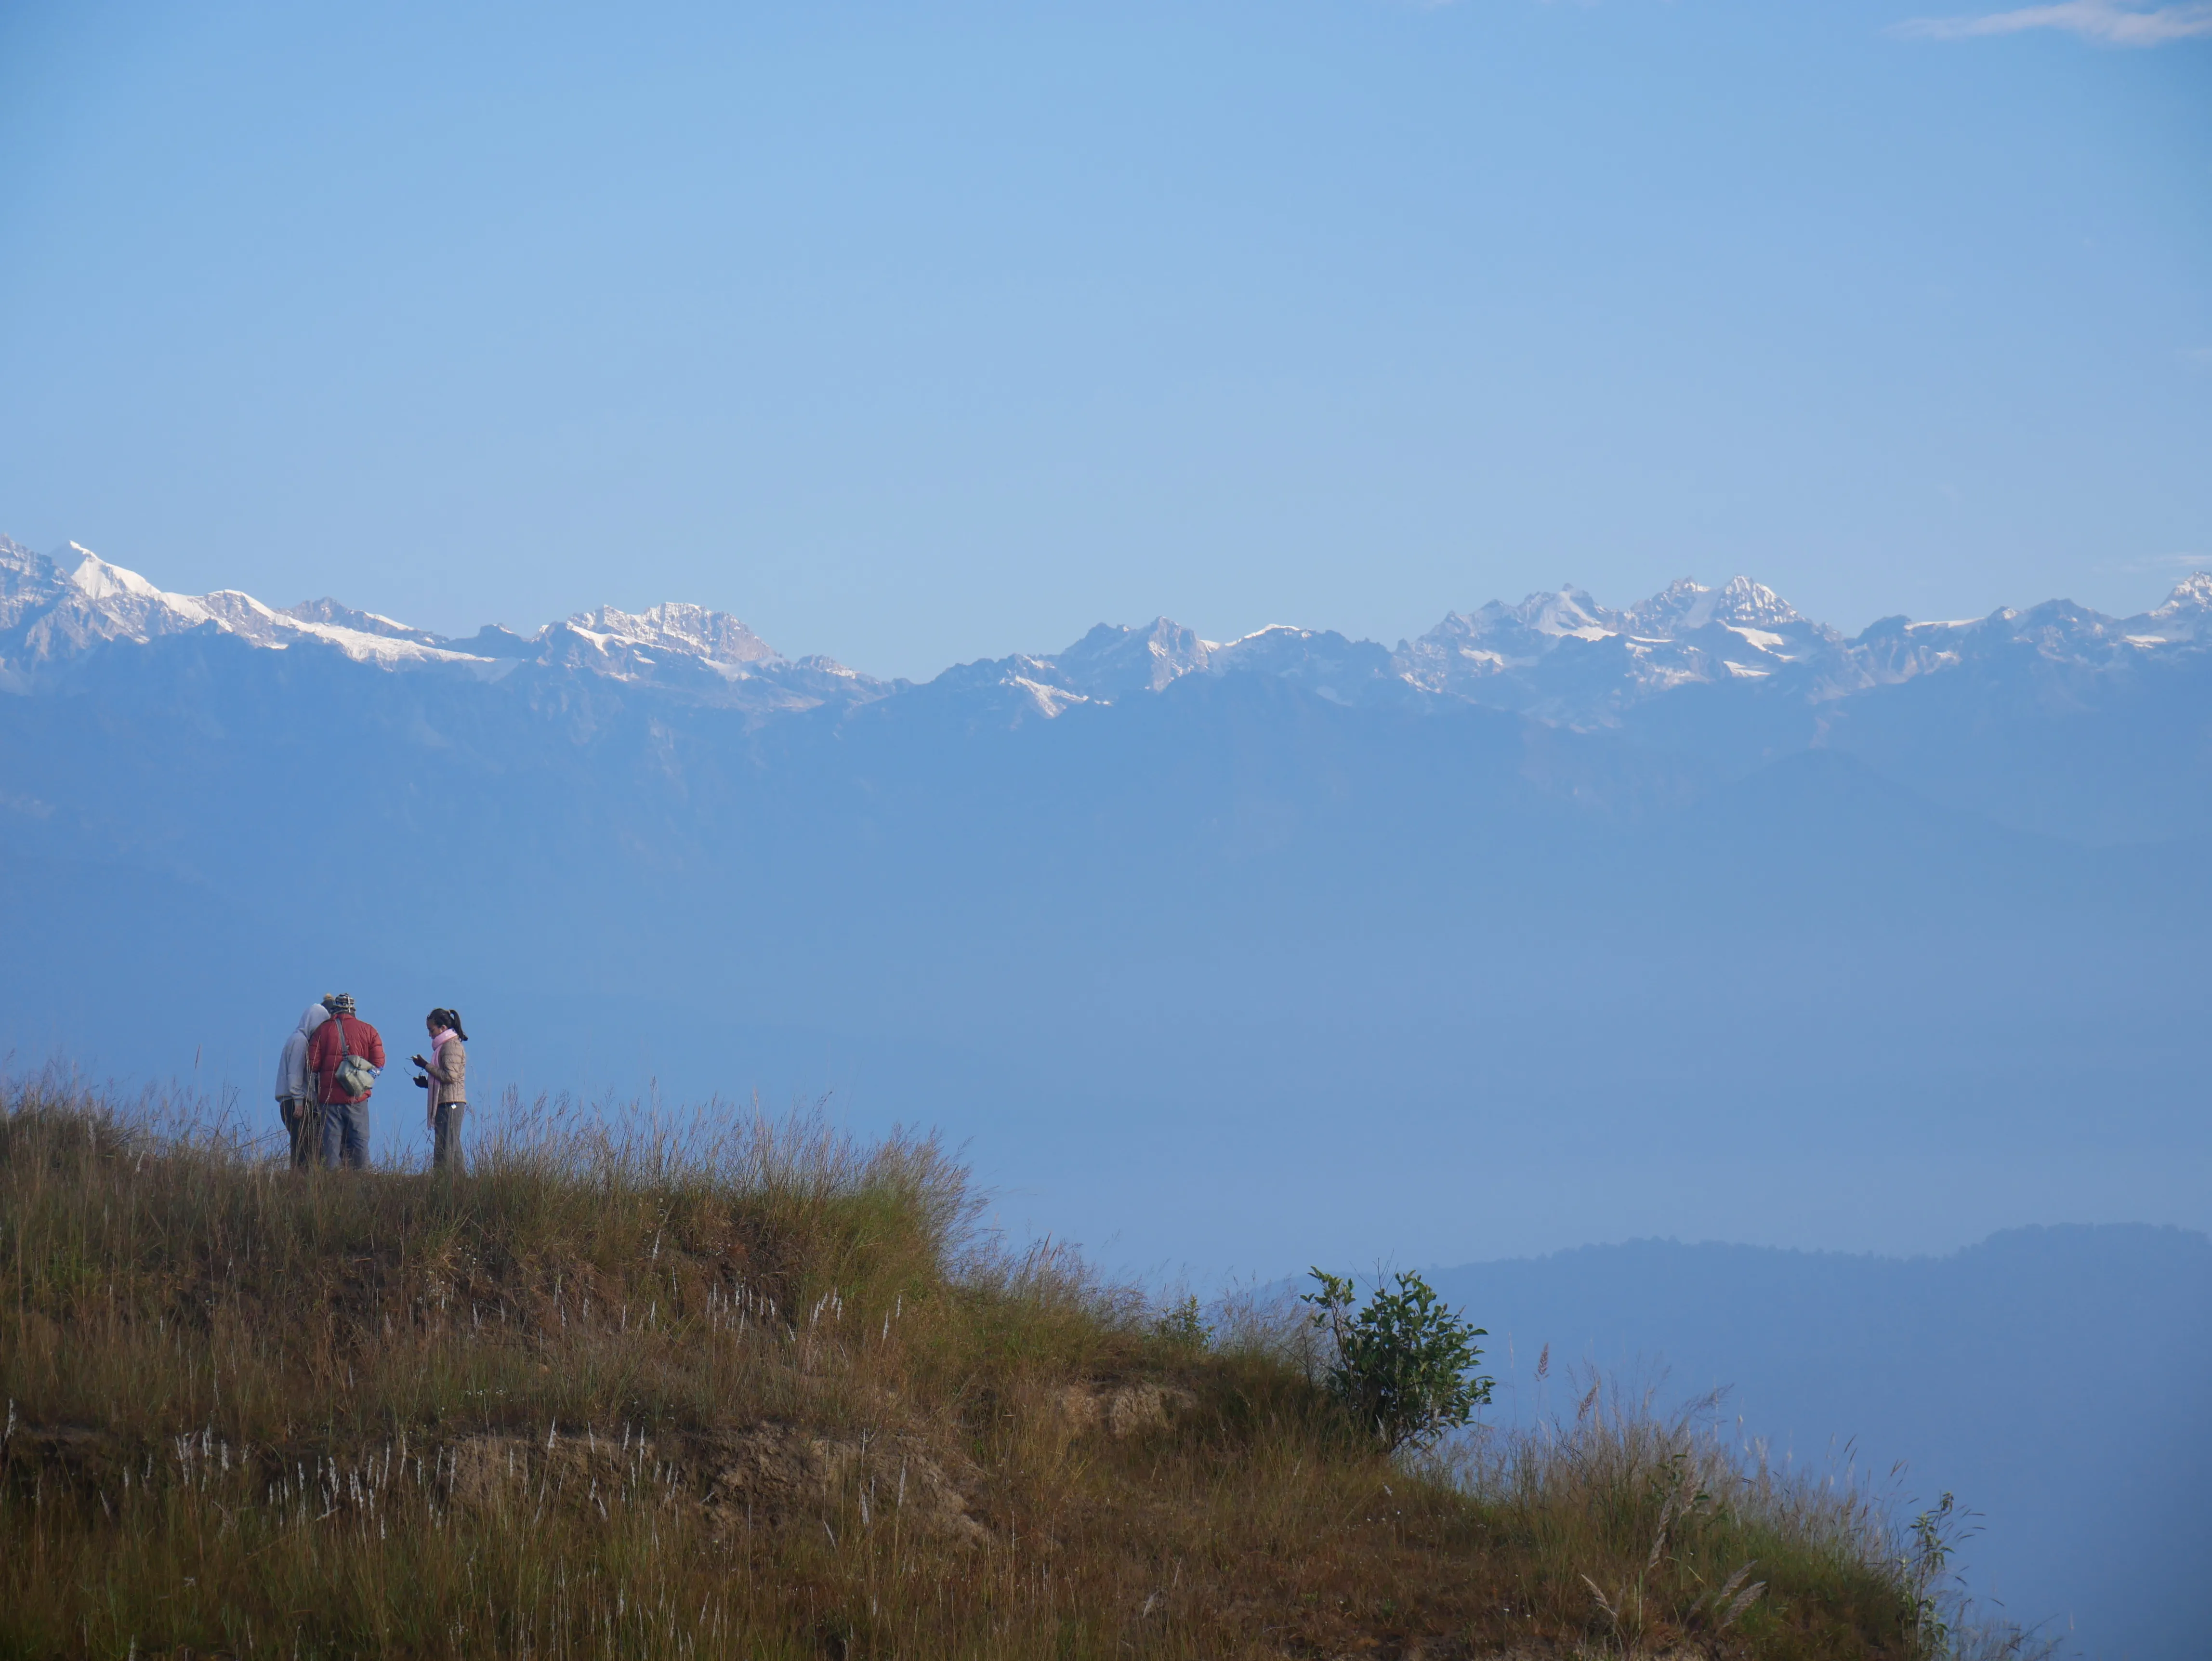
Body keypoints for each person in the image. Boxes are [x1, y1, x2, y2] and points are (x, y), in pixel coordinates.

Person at [306, 991, 385, 1169]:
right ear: (353, 1010)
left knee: (332, 1147)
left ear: (335, 1010)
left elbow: (312, 1065)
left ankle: (333, 1187)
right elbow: (379, 1063)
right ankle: (363, 1184)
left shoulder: (322, 1031)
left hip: (330, 1098)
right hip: (357, 1097)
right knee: (360, 1143)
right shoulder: (369, 1030)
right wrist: (365, 1080)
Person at [273, 1000, 330, 1168]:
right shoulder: (301, 1042)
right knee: (303, 1147)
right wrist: (299, 1099)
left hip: (291, 1101)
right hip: (296, 1102)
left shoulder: (295, 1038)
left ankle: (299, 1178)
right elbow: (295, 1073)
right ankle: (299, 1180)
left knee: (303, 1145)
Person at [412, 1008, 469, 1171]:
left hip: (452, 1103)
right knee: (451, 1144)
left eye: (432, 1030)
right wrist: (427, 1084)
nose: (430, 1035)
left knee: (446, 1146)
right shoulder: (444, 1047)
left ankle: (443, 1181)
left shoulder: (451, 1047)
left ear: (443, 1028)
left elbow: (450, 1077)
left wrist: (425, 1066)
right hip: (447, 1101)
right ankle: (460, 1183)